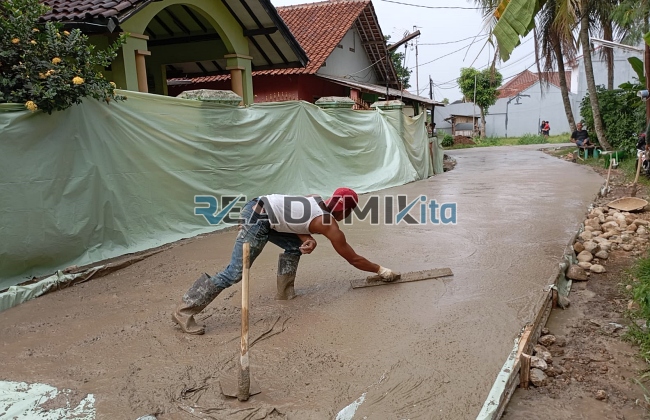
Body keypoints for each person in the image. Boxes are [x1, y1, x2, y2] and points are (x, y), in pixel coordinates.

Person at [172, 188, 400, 335]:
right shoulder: (330, 225)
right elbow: (353, 258)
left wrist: (307, 238)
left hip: (259, 208)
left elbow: (292, 218)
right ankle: (185, 310)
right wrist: (381, 270)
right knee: (235, 272)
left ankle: (285, 292)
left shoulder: (314, 199)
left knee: (293, 246)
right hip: (259, 219)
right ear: (345, 211)